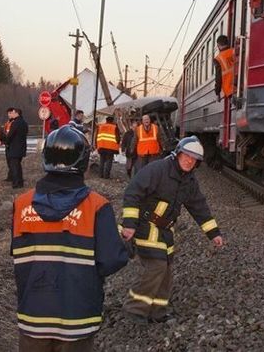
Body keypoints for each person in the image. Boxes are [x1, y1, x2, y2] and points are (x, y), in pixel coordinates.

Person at [12, 125, 128, 350]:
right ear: (83, 162)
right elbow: (112, 260)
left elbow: (19, 255)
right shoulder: (97, 206)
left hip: (33, 316)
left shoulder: (21, 205)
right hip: (77, 319)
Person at [121, 136, 223, 323]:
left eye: (194, 159)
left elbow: (198, 207)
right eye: (186, 155)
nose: (189, 160)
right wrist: (129, 224)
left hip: (165, 230)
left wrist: (213, 234)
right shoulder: (157, 169)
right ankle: (134, 309)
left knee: (166, 269)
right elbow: (132, 192)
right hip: (144, 225)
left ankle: (157, 311)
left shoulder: (189, 181)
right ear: (178, 154)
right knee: (156, 266)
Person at [5, 107, 28, 189]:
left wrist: (6, 142)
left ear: (17, 113)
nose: (12, 114)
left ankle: (16, 183)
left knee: (14, 166)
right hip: (22, 147)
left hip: (14, 147)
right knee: (18, 166)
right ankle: (20, 182)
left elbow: (10, 135)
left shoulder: (15, 123)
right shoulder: (24, 123)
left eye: (13, 112)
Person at [213, 35, 236, 102]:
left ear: (218, 45)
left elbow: (218, 77)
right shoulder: (235, 51)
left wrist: (218, 93)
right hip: (241, 85)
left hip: (230, 89)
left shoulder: (218, 59)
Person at [0, 110, 14, 182]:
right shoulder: (7, 123)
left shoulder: (14, 123)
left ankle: (11, 176)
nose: (9, 115)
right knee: (9, 161)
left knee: (12, 161)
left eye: (11, 113)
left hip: (12, 144)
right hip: (7, 144)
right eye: (9, 113)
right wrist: (3, 141)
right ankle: (10, 176)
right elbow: (4, 133)